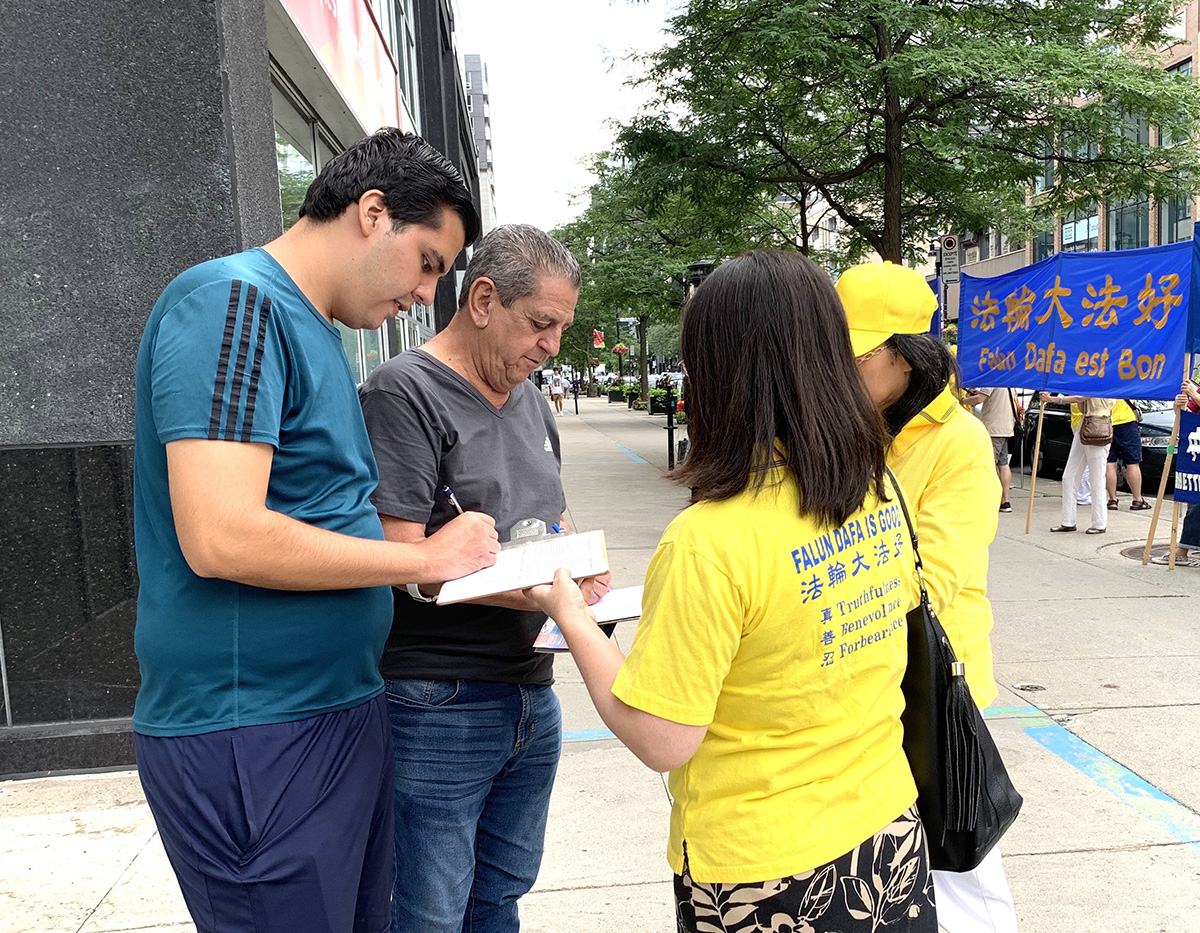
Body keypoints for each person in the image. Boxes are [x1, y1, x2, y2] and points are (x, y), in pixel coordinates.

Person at [131, 128, 500, 933]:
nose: (426, 295)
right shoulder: (234, 302)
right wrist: (419, 556)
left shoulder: (316, 330)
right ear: (372, 212)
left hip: (336, 710)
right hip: (257, 728)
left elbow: (317, 510)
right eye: (427, 263)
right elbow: (221, 534)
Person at [527, 250, 936, 933]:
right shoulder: (875, 489)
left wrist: (571, 613)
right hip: (888, 835)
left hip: (768, 874)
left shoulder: (708, 542)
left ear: (716, 373)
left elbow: (661, 737)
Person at [358, 224, 610, 933]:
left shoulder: (530, 399)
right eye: (540, 324)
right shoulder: (404, 392)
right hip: (440, 699)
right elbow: (400, 555)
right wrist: (549, 592)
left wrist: (580, 569)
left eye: (562, 329)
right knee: (428, 912)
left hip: (531, 687)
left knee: (500, 896)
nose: (552, 346)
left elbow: (550, 516)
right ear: (483, 299)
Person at [836, 261, 1017, 933]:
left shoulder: (958, 443)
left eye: (857, 354)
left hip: (934, 680)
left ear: (907, 356)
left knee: (958, 865)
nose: (840, 368)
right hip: (859, 672)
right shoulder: (848, 426)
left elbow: (934, 579)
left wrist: (831, 594)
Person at [1042, 393, 1115, 534]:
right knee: (1069, 476)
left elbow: (1081, 397)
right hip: (1085, 425)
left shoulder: (1101, 382)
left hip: (1097, 425)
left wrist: (1053, 399)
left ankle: (1099, 522)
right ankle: (1068, 521)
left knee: (1097, 478)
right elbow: (1082, 407)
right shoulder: (1092, 381)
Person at [1151, 379, 1200, 566]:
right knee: (1194, 499)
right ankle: (1183, 550)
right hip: (1196, 452)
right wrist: (1179, 405)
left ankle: (1182, 550)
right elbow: (1188, 414)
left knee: (1196, 503)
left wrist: (1194, 395)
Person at [964, 387, 1019, 512]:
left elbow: (979, 399)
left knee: (989, 465)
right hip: (1006, 428)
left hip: (993, 428)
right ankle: (1005, 501)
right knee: (1003, 464)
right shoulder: (1008, 382)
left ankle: (989, 499)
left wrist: (961, 401)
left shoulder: (993, 380)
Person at [1104, 400, 1151, 511]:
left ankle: (1112, 500)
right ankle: (1137, 499)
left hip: (1105, 421)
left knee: (1109, 463)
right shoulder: (1125, 386)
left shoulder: (1102, 387)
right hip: (1126, 420)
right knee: (1133, 463)